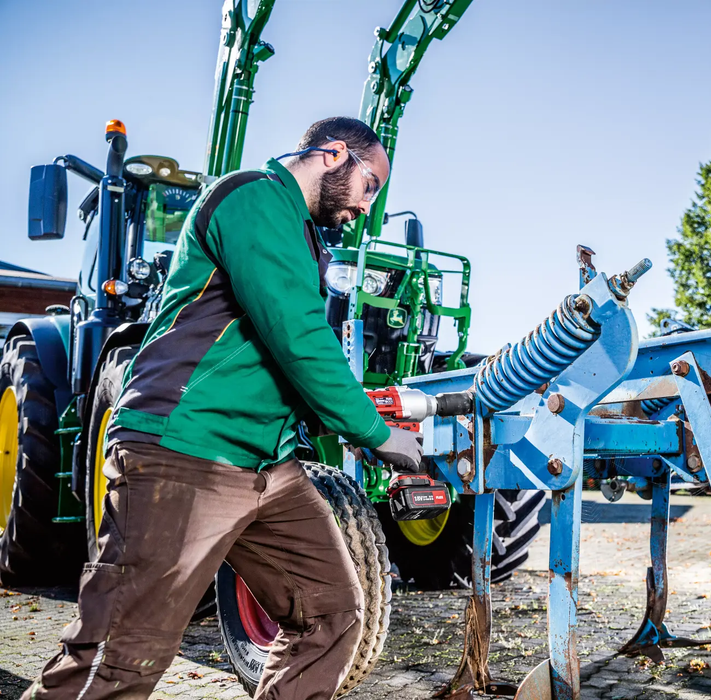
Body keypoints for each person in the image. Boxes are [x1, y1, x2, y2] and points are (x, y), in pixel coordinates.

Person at [22, 117, 423, 700]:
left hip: (268, 467)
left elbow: (286, 360)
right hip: (185, 450)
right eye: (370, 186)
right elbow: (298, 334)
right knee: (120, 654)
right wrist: (372, 430)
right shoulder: (253, 197)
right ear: (334, 155)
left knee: (333, 613)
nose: (367, 207)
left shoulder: (302, 234)